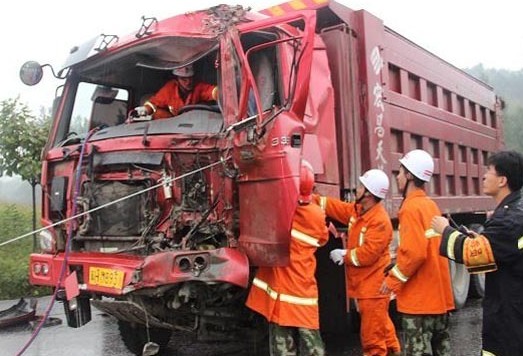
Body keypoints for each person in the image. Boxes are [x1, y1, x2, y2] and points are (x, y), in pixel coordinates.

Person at [431, 150, 523, 355]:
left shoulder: (509, 220)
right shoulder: (514, 213)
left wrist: (445, 230)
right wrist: (479, 240)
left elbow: (475, 257)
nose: (483, 176)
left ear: (502, 180)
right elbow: (491, 259)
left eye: (488, 170)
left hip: (509, 319)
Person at [245, 160, 329, 356]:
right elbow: (323, 238)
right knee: (312, 342)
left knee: (281, 343)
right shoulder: (316, 215)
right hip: (302, 288)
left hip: (280, 290)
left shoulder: (278, 211)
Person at [379, 149, 454, 355]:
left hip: (419, 303)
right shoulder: (430, 206)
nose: (398, 176)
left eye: (401, 172)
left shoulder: (410, 209)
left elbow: (415, 253)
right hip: (440, 300)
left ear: (410, 175)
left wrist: (392, 280)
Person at [319, 169, 400, 356]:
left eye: (361, 186)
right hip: (368, 287)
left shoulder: (379, 221)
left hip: (374, 289)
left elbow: (368, 254)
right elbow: (336, 208)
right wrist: (314, 199)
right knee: (383, 329)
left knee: (372, 340)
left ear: (369, 194)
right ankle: (395, 352)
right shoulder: (359, 212)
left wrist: (344, 255)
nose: (357, 188)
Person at [131, 64, 218, 119]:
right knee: (158, 113)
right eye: (184, 79)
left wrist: (219, 93)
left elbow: (212, 91)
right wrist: (146, 109)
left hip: (196, 124)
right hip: (174, 126)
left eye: (190, 78)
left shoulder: (199, 86)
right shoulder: (170, 88)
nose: (188, 82)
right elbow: (154, 102)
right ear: (177, 78)